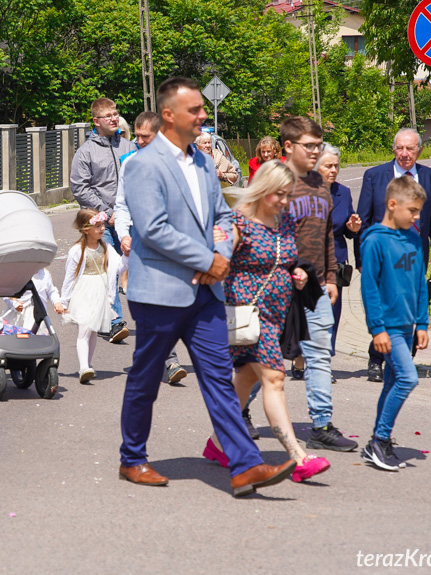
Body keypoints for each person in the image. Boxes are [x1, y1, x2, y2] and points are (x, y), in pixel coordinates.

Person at [120, 77, 296, 496]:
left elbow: (222, 214)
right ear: (169, 115)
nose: (203, 116)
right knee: (145, 378)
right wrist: (208, 261)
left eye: (202, 109)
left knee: (219, 377)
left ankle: (245, 466)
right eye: (195, 110)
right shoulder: (143, 165)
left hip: (205, 295)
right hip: (160, 293)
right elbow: (153, 229)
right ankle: (132, 459)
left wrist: (221, 256)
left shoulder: (201, 161)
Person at [201, 160, 330, 483]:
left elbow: (285, 260)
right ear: (262, 190)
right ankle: (298, 457)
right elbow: (218, 262)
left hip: (276, 314)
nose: (284, 202)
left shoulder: (284, 221)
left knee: (246, 378)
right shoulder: (236, 222)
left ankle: (217, 444)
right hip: (245, 314)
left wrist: (297, 273)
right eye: (278, 195)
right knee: (274, 378)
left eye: (288, 195)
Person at [280, 116, 357, 452]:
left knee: (320, 355)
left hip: (315, 287)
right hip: (279, 285)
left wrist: (329, 277)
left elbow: (327, 235)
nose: (315, 152)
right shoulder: (276, 180)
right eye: (309, 146)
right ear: (288, 146)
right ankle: (240, 415)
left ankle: (321, 424)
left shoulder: (319, 184)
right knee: (262, 359)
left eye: (318, 146)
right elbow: (262, 231)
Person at [357, 128, 431, 382]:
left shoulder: (429, 176)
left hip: (415, 254)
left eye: (410, 148)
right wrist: (363, 259)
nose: (405, 154)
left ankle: (403, 356)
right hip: (385, 254)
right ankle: (376, 360)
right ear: (393, 149)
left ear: (419, 150)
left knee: (413, 305)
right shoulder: (374, 176)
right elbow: (364, 219)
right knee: (387, 307)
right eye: (400, 148)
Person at [359, 175, 429, 471]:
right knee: (408, 378)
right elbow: (369, 288)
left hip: (407, 326)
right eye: (412, 210)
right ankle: (380, 439)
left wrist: (422, 323)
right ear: (392, 205)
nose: (416, 216)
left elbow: (420, 284)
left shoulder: (413, 237)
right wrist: (377, 329)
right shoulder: (375, 240)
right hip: (387, 327)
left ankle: (376, 442)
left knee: (391, 382)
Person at [115, 111, 188, 385]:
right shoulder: (129, 164)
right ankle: (168, 360)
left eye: (146, 136)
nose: (139, 141)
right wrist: (123, 234)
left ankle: (153, 355)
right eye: (137, 135)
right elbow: (121, 204)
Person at [70, 97, 136, 344]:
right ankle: (114, 322)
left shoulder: (130, 147)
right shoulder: (85, 152)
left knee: (137, 267)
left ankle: (150, 317)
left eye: (116, 113)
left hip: (130, 221)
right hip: (103, 224)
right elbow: (80, 187)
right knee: (109, 269)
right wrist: (107, 214)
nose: (114, 118)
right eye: (108, 115)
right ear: (96, 121)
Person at [60, 209, 127, 383]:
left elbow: (118, 268)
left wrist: (127, 256)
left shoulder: (106, 248)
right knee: (84, 329)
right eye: (97, 226)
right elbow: (69, 277)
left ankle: (88, 365)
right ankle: (83, 367)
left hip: (101, 292)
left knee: (94, 330)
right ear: (85, 229)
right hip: (84, 291)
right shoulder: (77, 250)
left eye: (102, 225)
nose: (102, 229)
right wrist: (64, 300)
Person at [316, 143, 361, 364]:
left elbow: (348, 228)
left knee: (332, 312)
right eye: (328, 166)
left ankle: (324, 360)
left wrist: (352, 228)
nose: (333, 170)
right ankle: (301, 356)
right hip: (309, 259)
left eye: (336, 166)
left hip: (336, 259)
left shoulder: (343, 192)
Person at [4, 268, 65, 335]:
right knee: (19, 340)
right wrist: (14, 303)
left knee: (35, 340)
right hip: (19, 314)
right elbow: (4, 292)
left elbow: (52, 291)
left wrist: (57, 302)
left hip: (38, 314)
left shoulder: (45, 274)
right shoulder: (17, 274)